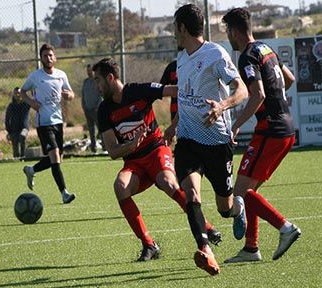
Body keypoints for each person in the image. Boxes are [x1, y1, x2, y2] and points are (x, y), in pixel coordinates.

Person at [93, 58, 221, 262]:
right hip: (134, 162)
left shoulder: (138, 91)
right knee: (120, 186)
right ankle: (149, 244)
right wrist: (131, 146)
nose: (96, 87)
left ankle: (205, 227)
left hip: (156, 151)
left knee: (168, 183)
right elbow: (112, 151)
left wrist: (175, 124)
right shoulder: (104, 110)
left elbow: (176, 91)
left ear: (110, 78)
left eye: (98, 81)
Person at [169, 4, 248, 276]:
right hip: (188, 140)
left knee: (224, 208)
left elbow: (242, 89)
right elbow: (185, 97)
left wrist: (222, 106)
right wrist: (173, 126)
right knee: (191, 193)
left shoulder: (215, 53)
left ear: (182, 28)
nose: (173, 33)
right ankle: (206, 250)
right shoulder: (181, 57)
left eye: (174, 27)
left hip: (216, 143)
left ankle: (239, 210)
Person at [221, 8, 301, 264]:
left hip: (271, 129)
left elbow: (258, 95)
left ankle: (285, 227)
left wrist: (236, 126)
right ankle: (251, 248)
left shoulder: (246, 57)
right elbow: (289, 79)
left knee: (240, 194)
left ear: (234, 31)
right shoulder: (267, 49)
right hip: (286, 127)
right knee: (248, 190)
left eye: (227, 32)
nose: (228, 37)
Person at [20, 43, 76, 204]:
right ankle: (64, 193)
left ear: (55, 57)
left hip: (58, 121)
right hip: (44, 123)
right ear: (41, 58)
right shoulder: (35, 76)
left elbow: (70, 93)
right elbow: (22, 92)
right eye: (45, 55)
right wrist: (31, 102)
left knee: (57, 159)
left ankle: (31, 170)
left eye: (51, 55)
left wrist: (69, 96)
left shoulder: (61, 75)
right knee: (55, 157)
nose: (48, 58)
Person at [81, 63, 103, 153]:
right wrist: (83, 106)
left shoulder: (97, 81)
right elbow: (83, 95)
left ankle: (105, 147)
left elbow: (101, 95)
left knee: (101, 129)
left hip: (96, 110)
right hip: (87, 110)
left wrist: (98, 106)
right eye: (87, 71)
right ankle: (93, 149)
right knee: (91, 130)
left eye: (90, 71)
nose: (89, 72)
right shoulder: (85, 82)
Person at [5, 87, 31, 159]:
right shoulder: (11, 106)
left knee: (22, 136)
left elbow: (33, 101)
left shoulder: (26, 104)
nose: (17, 95)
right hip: (14, 129)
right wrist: (9, 131)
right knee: (15, 147)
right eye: (16, 93)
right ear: (13, 95)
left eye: (19, 93)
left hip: (24, 127)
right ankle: (17, 158)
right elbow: (7, 119)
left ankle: (23, 156)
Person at [159, 47, 182, 121]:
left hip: (194, 106)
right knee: (177, 130)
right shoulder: (172, 67)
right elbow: (161, 86)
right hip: (176, 106)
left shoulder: (196, 65)